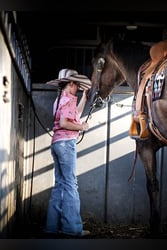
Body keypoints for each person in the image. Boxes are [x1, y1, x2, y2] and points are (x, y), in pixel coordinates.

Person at [44, 68, 92, 237]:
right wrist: (82, 127)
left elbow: (74, 115)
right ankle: (72, 228)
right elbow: (66, 122)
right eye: (77, 84)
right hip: (66, 145)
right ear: (71, 83)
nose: (78, 87)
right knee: (71, 185)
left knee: (60, 184)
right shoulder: (68, 100)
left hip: (56, 144)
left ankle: (52, 226)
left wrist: (85, 98)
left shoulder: (59, 100)